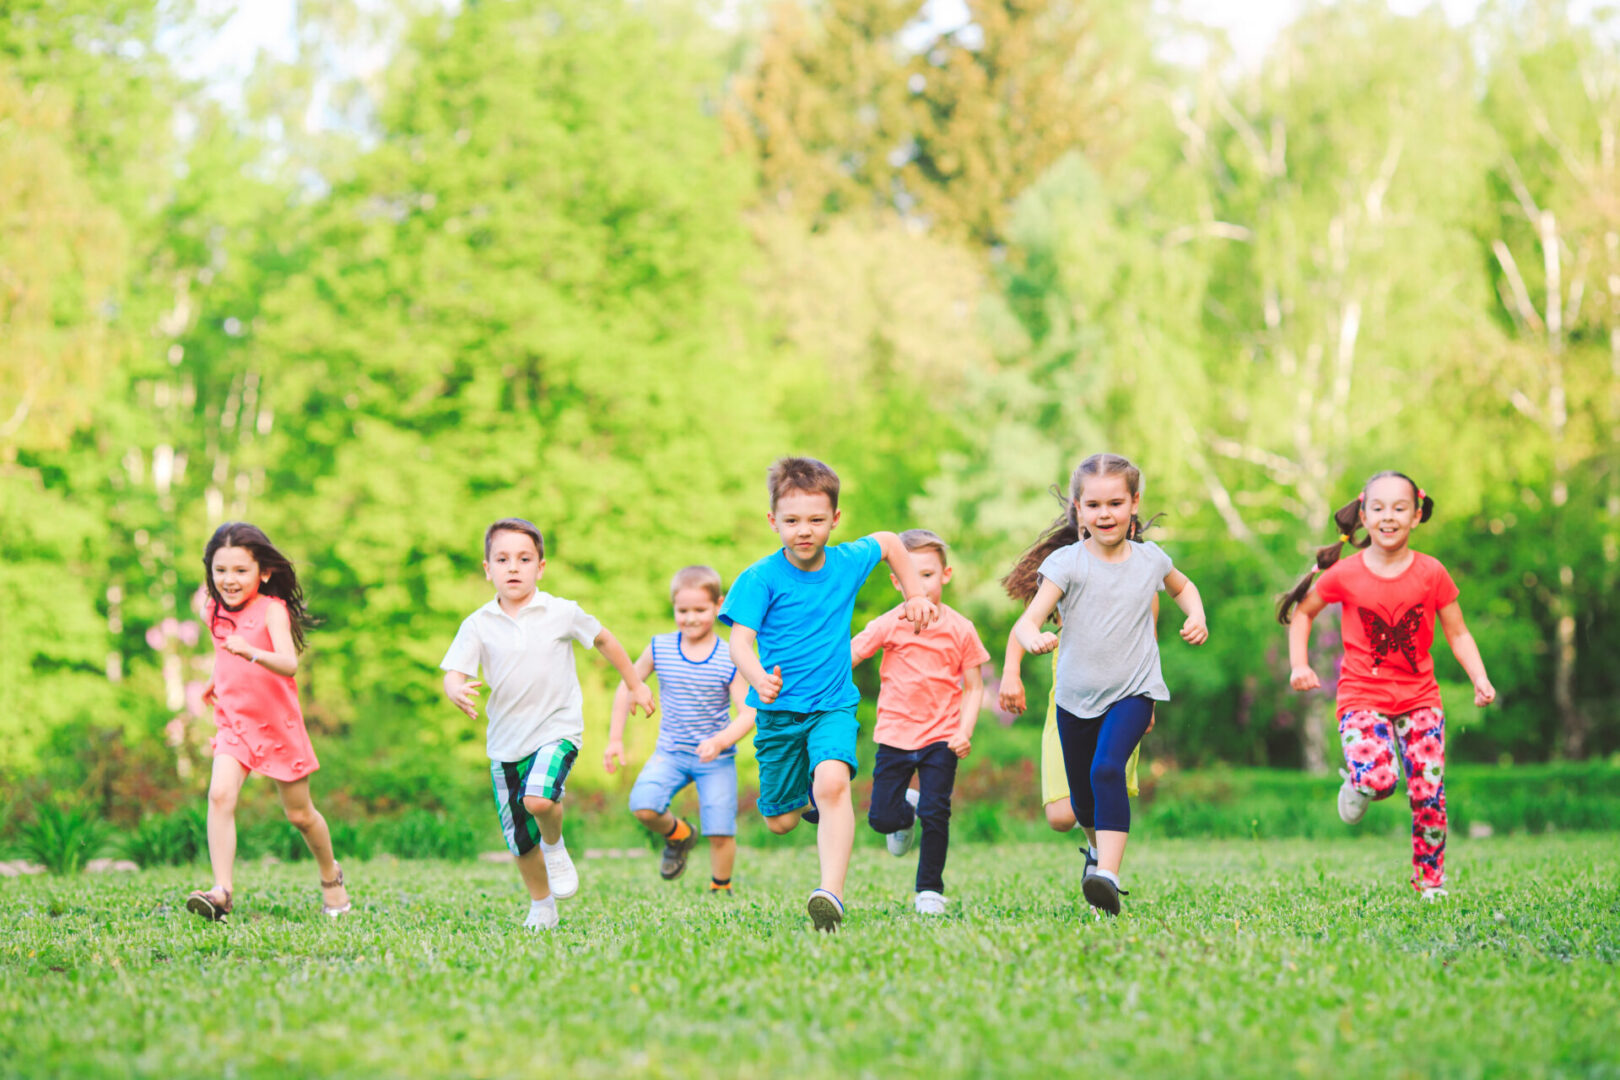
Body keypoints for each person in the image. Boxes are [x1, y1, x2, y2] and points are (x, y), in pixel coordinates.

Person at [720, 457, 938, 931]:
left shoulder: (843, 563)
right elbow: (739, 641)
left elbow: (887, 542)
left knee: (833, 783)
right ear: (772, 520)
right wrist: (757, 678)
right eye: (793, 520)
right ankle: (806, 802)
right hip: (778, 714)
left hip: (833, 704)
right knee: (780, 820)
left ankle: (830, 895)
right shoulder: (761, 578)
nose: (805, 531)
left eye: (817, 520)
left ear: (835, 519)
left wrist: (915, 594)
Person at [1279, 471, 1495, 899]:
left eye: (1399, 508)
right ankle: (1359, 782)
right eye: (1378, 508)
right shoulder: (1346, 574)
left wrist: (1479, 676)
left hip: (1421, 699)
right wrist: (1298, 664)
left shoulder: (1432, 573)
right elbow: (1303, 613)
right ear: (1363, 514)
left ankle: (1430, 883)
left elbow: (1458, 632)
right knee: (1380, 779)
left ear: (1416, 515)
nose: (1388, 517)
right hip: (1362, 697)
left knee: (1428, 793)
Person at [1008, 453, 1207, 916]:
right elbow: (1028, 620)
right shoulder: (1067, 563)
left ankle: (1108, 876)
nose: (1105, 514)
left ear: (1134, 503)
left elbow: (1183, 587)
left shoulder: (1150, 559)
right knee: (1081, 800)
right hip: (1075, 699)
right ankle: (1098, 855)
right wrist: (1033, 636)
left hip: (1134, 691)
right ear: (1079, 508)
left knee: (1106, 769)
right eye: (1093, 504)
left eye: (1115, 503)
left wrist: (1195, 614)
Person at [441, 518, 655, 930]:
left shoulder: (560, 612)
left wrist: (634, 684)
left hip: (557, 730)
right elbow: (454, 671)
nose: (513, 567)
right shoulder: (478, 624)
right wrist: (454, 688)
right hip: (505, 742)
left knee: (538, 799)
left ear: (541, 566)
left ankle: (555, 846)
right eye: (502, 559)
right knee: (521, 840)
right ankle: (542, 904)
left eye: (524, 559)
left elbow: (605, 640)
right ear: (487, 569)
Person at [185, 522, 351, 922]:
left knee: (300, 815)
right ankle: (222, 892)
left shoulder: (271, 610)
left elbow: (288, 663)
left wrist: (250, 652)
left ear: (263, 572)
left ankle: (331, 875)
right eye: (220, 570)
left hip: (277, 726)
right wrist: (214, 680)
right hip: (235, 720)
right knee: (220, 795)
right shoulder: (213, 606)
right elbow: (223, 651)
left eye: (240, 570)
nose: (229, 580)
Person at [851, 529, 989, 915]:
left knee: (937, 812)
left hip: (942, 738)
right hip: (894, 735)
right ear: (897, 582)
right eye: (911, 576)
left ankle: (929, 889)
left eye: (927, 574)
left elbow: (974, 687)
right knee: (880, 819)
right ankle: (903, 812)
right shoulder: (887, 623)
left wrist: (964, 731)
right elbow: (850, 656)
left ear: (945, 575)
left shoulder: (960, 628)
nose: (920, 585)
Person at [604, 565, 756, 892]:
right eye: (682, 610)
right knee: (643, 805)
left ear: (718, 606)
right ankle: (679, 834)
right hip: (670, 753)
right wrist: (615, 738)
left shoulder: (731, 656)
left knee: (720, 829)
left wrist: (721, 740)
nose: (690, 618)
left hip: (715, 758)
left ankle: (721, 887)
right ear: (673, 607)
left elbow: (748, 713)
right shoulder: (661, 647)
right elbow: (627, 684)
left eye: (700, 610)